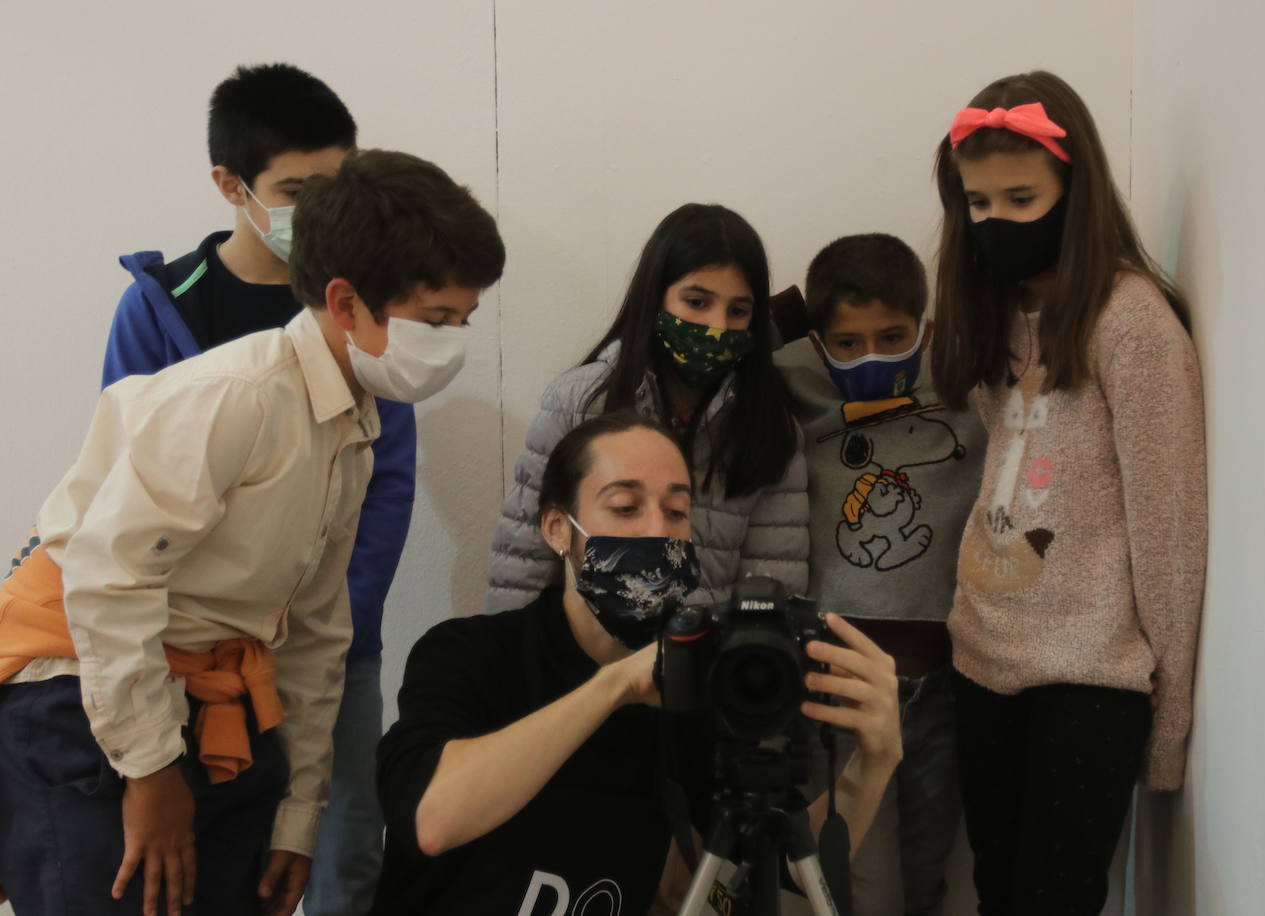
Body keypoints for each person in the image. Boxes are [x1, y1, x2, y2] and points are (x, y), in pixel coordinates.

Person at [0, 149, 505, 916]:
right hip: (82, 691)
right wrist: (149, 773)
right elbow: (108, 578)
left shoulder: (351, 424)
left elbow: (312, 631)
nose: (452, 344)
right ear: (344, 302)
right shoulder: (236, 397)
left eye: (463, 321)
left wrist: (298, 821)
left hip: (213, 692)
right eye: (435, 320)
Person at [100, 63, 412, 916]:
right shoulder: (165, 309)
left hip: (333, 640)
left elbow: (382, 483)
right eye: (296, 190)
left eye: (338, 187)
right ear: (231, 186)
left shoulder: (364, 308)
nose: (321, 212)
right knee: (200, 849)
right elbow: (127, 506)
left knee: (340, 845)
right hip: (185, 650)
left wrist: (333, 617)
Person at [375, 411, 901, 914]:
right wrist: (615, 686)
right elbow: (432, 817)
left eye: (676, 512)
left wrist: (876, 760)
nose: (658, 531)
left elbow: (783, 861)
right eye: (626, 507)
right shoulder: (470, 652)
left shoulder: (690, 688)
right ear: (559, 529)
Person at [930, 70, 1207, 914]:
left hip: (1090, 674)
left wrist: (1169, 733)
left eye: (1022, 198)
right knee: (993, 888)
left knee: (1055, 898)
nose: (997, 223)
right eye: (978, 205)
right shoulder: (991, 309)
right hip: (981, 652)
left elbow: (1171, 530)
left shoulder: (1132, 324)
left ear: (1073, 192)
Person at [780, 233, 986, 915]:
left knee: (928, 876)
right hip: (837, 683)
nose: (870, 356)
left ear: (925, 329)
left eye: (893, 336)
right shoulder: (791, 390)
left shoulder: (964, 383)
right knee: (859, 887)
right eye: (846, 342)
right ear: (817, 343)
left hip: (944, 687)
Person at [487, 202, 809, 614]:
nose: (718, 326)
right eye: (696, 302)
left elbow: (776, 581)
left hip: (706, 663)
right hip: (589, 663)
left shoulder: (771, 426)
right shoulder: (579, 402)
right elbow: (524, 558)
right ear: (655, 296)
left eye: (738, 310)